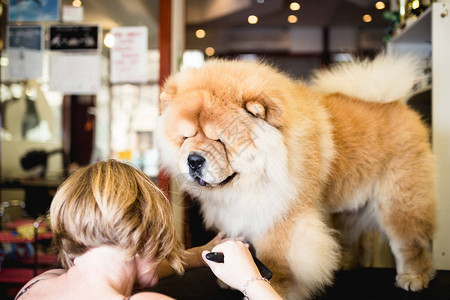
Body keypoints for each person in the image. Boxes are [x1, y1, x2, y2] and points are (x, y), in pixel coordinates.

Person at [15, 159, 281, 300]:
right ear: (147, 232)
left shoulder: (37, 285)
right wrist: (251, 281)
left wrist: (202, 253)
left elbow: (131, 267)